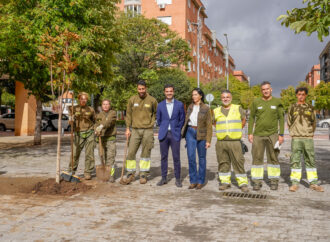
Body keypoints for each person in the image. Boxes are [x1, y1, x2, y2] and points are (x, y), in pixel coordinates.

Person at [248, 81, 284, 191]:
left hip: (272, 135)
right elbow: (252, 118)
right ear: (261, 91)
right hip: (258, 135)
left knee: (273, 158)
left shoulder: (277, 102)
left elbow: (281, 119)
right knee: (257, 158)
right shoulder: (256, 102)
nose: (266, 91)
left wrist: (281, 134)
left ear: (271, 89)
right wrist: (250, 133)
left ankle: (274, 181)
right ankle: (257, 182)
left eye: (267, 89)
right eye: (263, 89)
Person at [287, 87, 324, 192]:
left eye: (303, 94)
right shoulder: (292, 107)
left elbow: (313, 123)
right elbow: (289, 122)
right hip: (296, 138)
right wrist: (293, 132)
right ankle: (294, 183)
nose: (301, 96)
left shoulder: (310, 107)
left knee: (310, 160)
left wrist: (310, 133)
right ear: (296, 95)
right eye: (299, 94)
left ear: (306, 95)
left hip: (308, 138)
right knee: (295, 160)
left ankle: (313, 183)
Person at [214, 90, 249, 192]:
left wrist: (237, 129)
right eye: (224, 97)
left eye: (228, 97)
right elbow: (214, 123)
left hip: (235, 141)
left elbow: (243, 120)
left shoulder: (237, 108)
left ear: (231, 98)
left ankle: (242, 183)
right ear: (221, 99)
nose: (226, 99)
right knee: (223, 162)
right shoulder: (216, 110)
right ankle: (225, 182)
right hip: (221, 141)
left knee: (238, 162)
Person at [124, 80, 158, 184]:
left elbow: (156, 113)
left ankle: (143, 174)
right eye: (139, 89)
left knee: (145, 153)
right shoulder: (132, 99)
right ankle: (130, 173)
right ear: (137, 89)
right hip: (135, 130)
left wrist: (151, 123)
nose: (141, 91)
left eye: (143, 89)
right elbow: (128, 114)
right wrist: (127, 128)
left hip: (147, 130)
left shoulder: (152, 100)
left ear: (146, 88)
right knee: (131, 152)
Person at [181, 88, 212, 190]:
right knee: (191, 157)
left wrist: (208, 140)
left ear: (200, 96)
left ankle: (200, 181)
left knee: (202, 158)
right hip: (190, 132)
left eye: (195, 94)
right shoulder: (190, 107)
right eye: (192, 95)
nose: (193, 96)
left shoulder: (206, 108)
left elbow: (209, 125)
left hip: (202, 133)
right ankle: (193, 180)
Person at [156, 84, 185, 187]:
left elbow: (182, 119)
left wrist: (177, 128)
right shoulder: (160, 105)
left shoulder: (179, 104)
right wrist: (164, 127)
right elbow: (158, 120)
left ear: (173, 92)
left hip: (175, 134)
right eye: (167, 91)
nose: (169, 93)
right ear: (164, 92)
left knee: (176, 157)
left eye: (171, 91)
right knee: (163, 157)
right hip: (163, 134)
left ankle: (178, 179)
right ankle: (164, 178)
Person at [68, 92, 95, 180]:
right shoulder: (73, 108)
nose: (83, 100)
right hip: (78, 133)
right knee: (75, 153)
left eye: (85, 99)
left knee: (89, 154)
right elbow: (70, 121)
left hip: (89, 132)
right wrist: (72, 118)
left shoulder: (90, 109)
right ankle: (71, 170)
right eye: (82, 99)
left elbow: (95, 120)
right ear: (79, 99)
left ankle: (88, 172)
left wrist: (96, 128)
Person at [95, 99, 117, 183]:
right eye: (104, 104)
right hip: (101, 138)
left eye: (107, 104)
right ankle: (104, 174)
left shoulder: (113, 113)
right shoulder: (99, 115)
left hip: (110, 138)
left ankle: (111, 175)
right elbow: (95, 124)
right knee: (102, 156)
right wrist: (96, 130)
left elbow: (109, 122)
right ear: (101, 105)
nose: (105, 106)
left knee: (110, 157)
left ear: (110, 105)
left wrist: (100, 127)